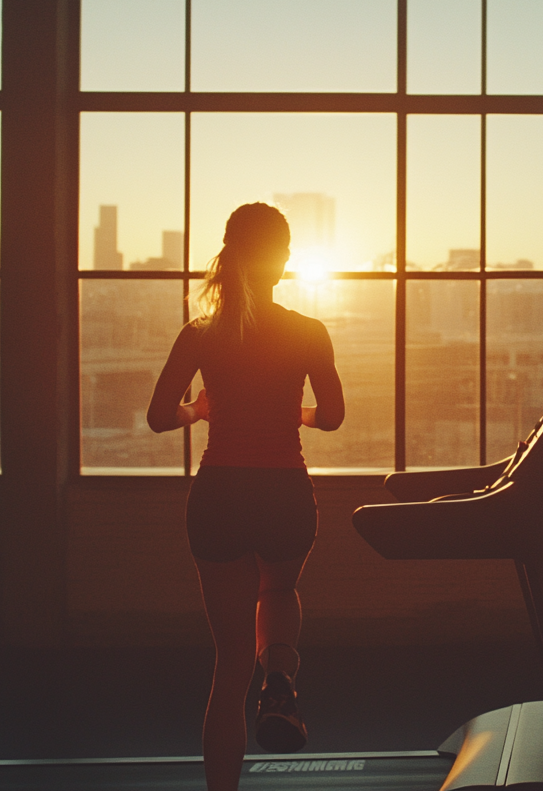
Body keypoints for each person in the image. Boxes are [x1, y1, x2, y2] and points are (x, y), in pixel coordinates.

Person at [147, 202, 344, 791]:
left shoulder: (201, 334)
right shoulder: (308, 332)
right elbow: (331, 418)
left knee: (228, 666)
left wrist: (198, 409)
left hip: (220, 494)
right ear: (282, 260)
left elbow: (160, 416)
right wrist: (296, 413)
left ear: (230, 256)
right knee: (279, 589)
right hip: (284, 490)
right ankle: (279, 673)